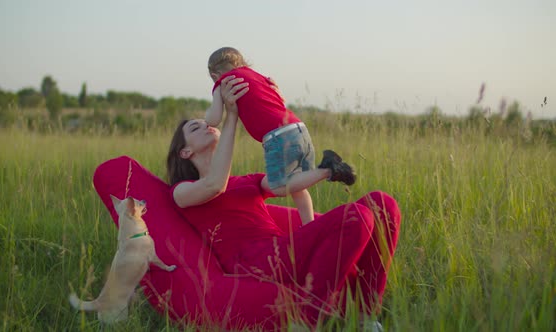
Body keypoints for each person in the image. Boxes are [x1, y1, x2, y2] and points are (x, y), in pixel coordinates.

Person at [166, 76, 402, 326]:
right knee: (359, 217)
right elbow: (215, 184)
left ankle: (365, 317)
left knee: (383, 204)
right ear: (185, 152)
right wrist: (232, 117)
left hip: (282, 247)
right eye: (195, 128)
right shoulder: (182, 191)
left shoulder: (246, 180)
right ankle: (310, 319)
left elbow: (287, 184)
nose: (206, 125)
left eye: (206, 123)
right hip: (254, 261)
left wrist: (325, 171)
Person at [204, 46, 355, 225]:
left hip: (278, 137)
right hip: (298, 128)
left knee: (279, 186)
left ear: (215, 74)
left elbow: (213, 120)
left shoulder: (223, 81)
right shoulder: (259, 77)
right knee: (298, 185)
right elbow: (279, 99)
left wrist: (215, 101)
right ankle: (310, 226)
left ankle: (329, 169)